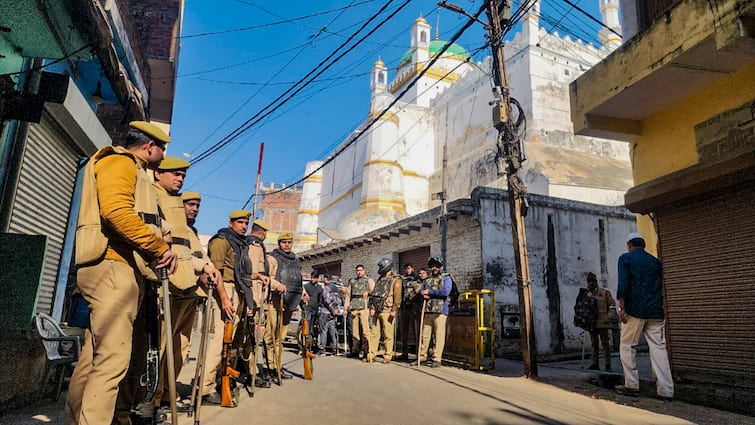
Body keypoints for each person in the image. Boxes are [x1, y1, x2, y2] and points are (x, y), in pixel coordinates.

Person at [66, 121, 177, 425]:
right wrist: (158, 248)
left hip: (117, 269)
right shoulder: (121, 162)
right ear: (149, 146)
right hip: (112, 267)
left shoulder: (138, 172)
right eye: (162, 147)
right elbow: (116, 213)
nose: (165, 154)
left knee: (94, 359)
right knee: (113, 361)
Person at [152, 159, 227, 412]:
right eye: (190, 204)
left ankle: (166, 395)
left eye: (197, 206)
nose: (194, 209)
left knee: (180, 346)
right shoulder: (164, 213)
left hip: (188, 292)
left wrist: (206, 271)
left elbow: (196, 257)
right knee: (161, 346)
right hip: (169, 290)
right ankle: (152, 397)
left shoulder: (191, 232)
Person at [202, 210, 254, 405]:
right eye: (240, 222)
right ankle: (206, 387)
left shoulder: (241, 244)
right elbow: (215, 274)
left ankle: (220, 380)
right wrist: (224, 298)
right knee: (219, 341)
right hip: (225, 290)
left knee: (230, 342)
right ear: (230, 223)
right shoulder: (221, 241)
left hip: (238, 292)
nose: (243, 226)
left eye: (245, 223)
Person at [616, 232, 674, 401]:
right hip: (655, 311)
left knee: (627, 345)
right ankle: (666, 390)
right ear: (644, 245)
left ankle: (631, 385)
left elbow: (623, 283)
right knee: (658, 349)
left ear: (629, 245)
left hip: (634, 309)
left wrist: (621, 306)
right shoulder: (655, 262)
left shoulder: (625, 258)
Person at [265, 232, 299, 380]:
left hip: (289, 302)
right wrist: (277, 285)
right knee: (270, 337)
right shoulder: (272, 258)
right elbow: (268, 278)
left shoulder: (295, 259)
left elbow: (296, 279)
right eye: (284, 242)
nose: (287, 245)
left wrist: (301, 293)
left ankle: (276, 366)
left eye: (289, 242)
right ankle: (268, 367)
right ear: (279, 243)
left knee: (280, 338)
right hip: (275, 302)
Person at [415, 256, 452, 368]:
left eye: (436, 265)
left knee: (439, 336)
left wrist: (429, 292)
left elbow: (445, 292)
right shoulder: (427, 279)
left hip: (440, 312)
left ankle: (437, 358)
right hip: (427, 311)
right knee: (424, 336)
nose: (434, 268)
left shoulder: (446, 278)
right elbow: (421, 290)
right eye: (432, 266)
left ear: (440, 266)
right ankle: (422, 357)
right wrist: (422, 293)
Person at [367, 258, 403, 363]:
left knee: (388, 334)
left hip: (387, 310)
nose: (380, 269)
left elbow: (397, 296)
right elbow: (375, 294)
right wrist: (372, 307)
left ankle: (387, 355)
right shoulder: (380, 279)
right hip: (377, 310)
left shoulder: (396, 280)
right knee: (374, 333)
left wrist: (394, 309)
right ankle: (371, 354)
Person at [585, 272, 616, 371]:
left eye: (592, 281)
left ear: (596, 282)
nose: (591, 284)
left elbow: (612, 305)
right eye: (589, 282)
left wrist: (609, 317)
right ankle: (595, 364)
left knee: (605, 344)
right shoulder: (586, 295)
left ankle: (607, 365)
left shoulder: (604, 293)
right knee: (594, 344)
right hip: (592, 323)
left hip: (603, 322)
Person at [344, 264, 375, 359]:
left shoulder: (369, 280)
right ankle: (355, 349)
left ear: (364, 270)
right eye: (357, 270)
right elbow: (348, 295)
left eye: (361, 270)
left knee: (365, 331)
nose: (359, 272)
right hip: (354, 307)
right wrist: (346, 308)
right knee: (355, 331)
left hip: (364, 307)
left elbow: (374, 292)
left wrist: (372, 306)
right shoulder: (352, 281)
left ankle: (366, 350)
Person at [398, 263, 420, 361]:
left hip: (413, 308)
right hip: (403, 308)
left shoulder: (416, 278)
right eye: (406, 268)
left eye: (409, 268)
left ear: (413, 268)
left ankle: (418, 354)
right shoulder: (402, 279)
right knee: (404, 331)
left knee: (416, 331)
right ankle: (404, 353)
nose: (407, 270)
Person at [319, 276, 343, 355]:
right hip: (334, 313)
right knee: (333, 330)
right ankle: (335, 349)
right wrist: (336, 309)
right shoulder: (336, 288)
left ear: (326, 279)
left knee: (323, 331)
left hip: (325, 312)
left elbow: (326, 299)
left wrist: (332, 309)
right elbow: (339, 300)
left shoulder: (326, 288)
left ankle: (322, 349)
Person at [303, 275, 324, 351]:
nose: (312, 279)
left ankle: (312, 345)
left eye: (314, 278)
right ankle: (305, 346)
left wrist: (320, 307)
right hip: (308, 309)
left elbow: (321, 299)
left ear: (317, 278)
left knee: (312, 328)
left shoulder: (319, 287)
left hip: (316, 309)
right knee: (306, 327)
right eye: (311, 277)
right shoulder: (306, 286)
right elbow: (302, 296)